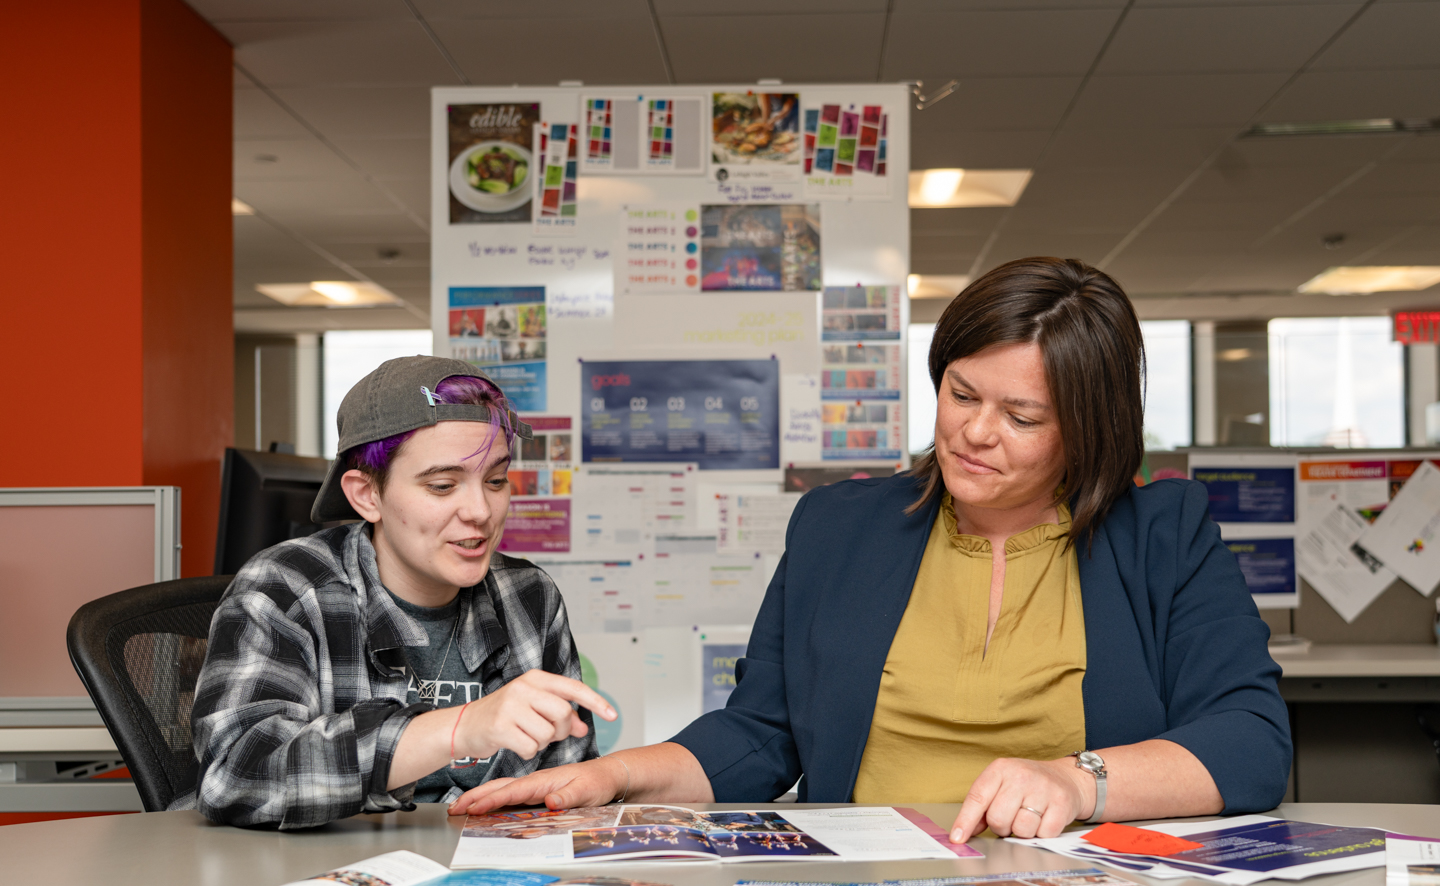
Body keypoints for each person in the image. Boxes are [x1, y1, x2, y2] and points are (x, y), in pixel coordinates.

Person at [446, 257, 1292, 842]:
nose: (974, 432)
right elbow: (761, 733)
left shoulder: (1164, 534)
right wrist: (617, 778)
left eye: (1022, 417)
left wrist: (1078, 782)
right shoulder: (838, 527)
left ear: (1088, 429)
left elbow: (1251, 741)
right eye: (961, 393)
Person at [188, 356, 614, 829]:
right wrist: (457, 728)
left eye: (495, 481)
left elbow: (568, 780)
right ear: (367, 496)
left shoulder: (529, 597)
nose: (480, 511)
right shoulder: (286, 589)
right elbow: (234, 776)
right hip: (323, 882)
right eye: (442, 485)